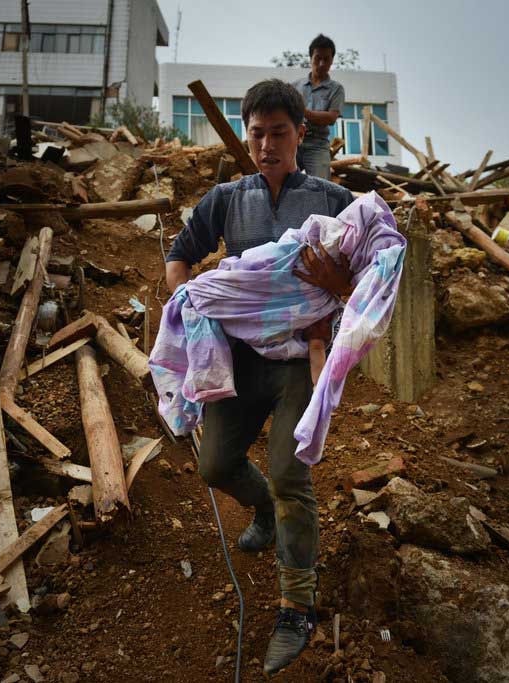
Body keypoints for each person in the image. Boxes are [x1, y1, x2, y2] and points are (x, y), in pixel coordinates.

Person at [164, 79, 354, 675]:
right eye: (257, 134)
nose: (267, 145)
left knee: (290, 474)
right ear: (246, 137)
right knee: (215, 465)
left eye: (278, 133)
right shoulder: (227, 198)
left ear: (300, 134)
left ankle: (296, 607)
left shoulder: (332, 198)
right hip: (239, 359)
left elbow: (371, 277)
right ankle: (265, 513)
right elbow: (179, 254)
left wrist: (339, 284)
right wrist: (190, 305)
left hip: (298, 359)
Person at [291, 34, 345, 179]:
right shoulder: (294, 87)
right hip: (293, 142)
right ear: (311, 58)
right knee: (281, 181)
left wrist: (303, 111)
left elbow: (331, 118)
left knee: (321, 186)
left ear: (332, 61)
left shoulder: (336, 89)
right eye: (317, 58)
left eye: (326, 59)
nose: (321, 63)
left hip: (318, 145)